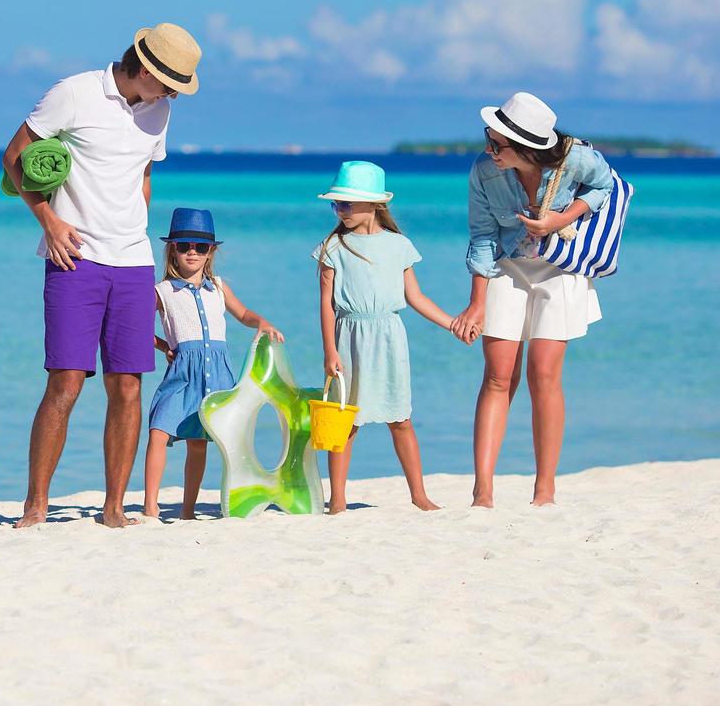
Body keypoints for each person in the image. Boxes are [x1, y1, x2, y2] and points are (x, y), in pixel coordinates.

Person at [3, 23, 203, 529]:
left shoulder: (161, 110)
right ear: (143, 68)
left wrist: (137, 227)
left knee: (128, 386)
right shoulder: (74, 93)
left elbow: (143, 173)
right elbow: (13, 160)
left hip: (133, 263)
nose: (173, 93)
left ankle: (114, 508)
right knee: (66, 383)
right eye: (169, 83)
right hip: (75, 259)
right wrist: (49, 220)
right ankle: (36, 506)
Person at [450, 92, 614, 508]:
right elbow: (482, 235)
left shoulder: (576, 159)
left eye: (497, 144)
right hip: (508, 265)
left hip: (560, 267)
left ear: (526, 148)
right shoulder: (484, 171)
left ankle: (545, 490)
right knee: (498, 375)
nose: (489, 150)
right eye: (488, 139)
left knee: (544, 375)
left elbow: (605, 184)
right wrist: (476, 302)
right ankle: (482, 491)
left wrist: (563, 217)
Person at [314, 161, 471, 515]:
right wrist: (329, 351)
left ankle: (419, 494)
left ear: (373, 205)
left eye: (346, 204)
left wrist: (452, 324)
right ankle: (337, 500)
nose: (340, 211)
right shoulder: (332, 247)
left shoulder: (398, 245)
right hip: (348, 337)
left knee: (400, 417)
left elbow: (415, 297)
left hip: (389, 338)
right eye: (336, 204)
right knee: (345, 420)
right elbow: (325, 303)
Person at [143, 208, 283, 521]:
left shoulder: (218, 287)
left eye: (200, 247)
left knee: (199, 442)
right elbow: (136, 326)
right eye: (184, 246)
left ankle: (188, 510)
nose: (192, 252)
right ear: (172, 250)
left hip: (217, 375)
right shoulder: (162, 291)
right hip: (181, 374)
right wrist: (165, 346)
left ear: (211, 252)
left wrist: (262, 323)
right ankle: (151, 505)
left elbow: (244, 314)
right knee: (158, 431)